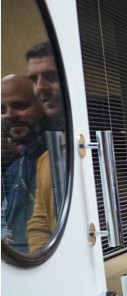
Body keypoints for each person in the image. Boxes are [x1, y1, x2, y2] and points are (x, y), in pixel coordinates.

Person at [23, 41, 67, 251]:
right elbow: (39, 224)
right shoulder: (47, 159)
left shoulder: (106, 146)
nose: (40, 87)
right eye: (34, 79)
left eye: (50, 76)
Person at [2, 73, 46, 249]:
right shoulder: (12, 171)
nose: (9, 115)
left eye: (19, 106)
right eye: (1, 110)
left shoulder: (58, 164)